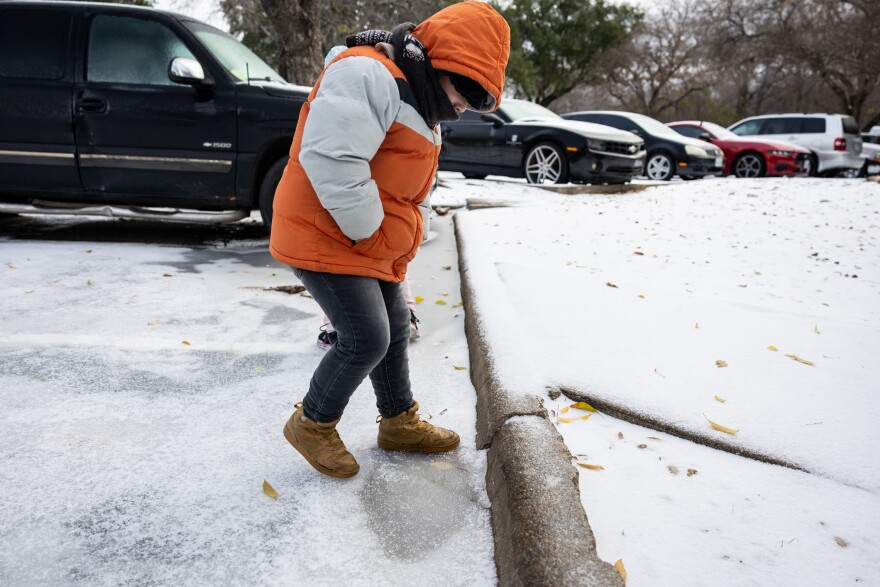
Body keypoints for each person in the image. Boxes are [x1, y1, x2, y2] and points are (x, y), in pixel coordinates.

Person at [269, 1, 510, 478]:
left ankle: (398, 420)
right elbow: (333, 158)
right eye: (464, 93)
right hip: (325, 232)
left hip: (365, 242)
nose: (463, 108)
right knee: (366, 337)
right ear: (442, 63)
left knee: (396, 328)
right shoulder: (368, 75)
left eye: (476, 100)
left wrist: (403, 238)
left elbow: (412, 187)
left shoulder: (423, 103)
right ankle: (312, 423)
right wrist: (372, 232)